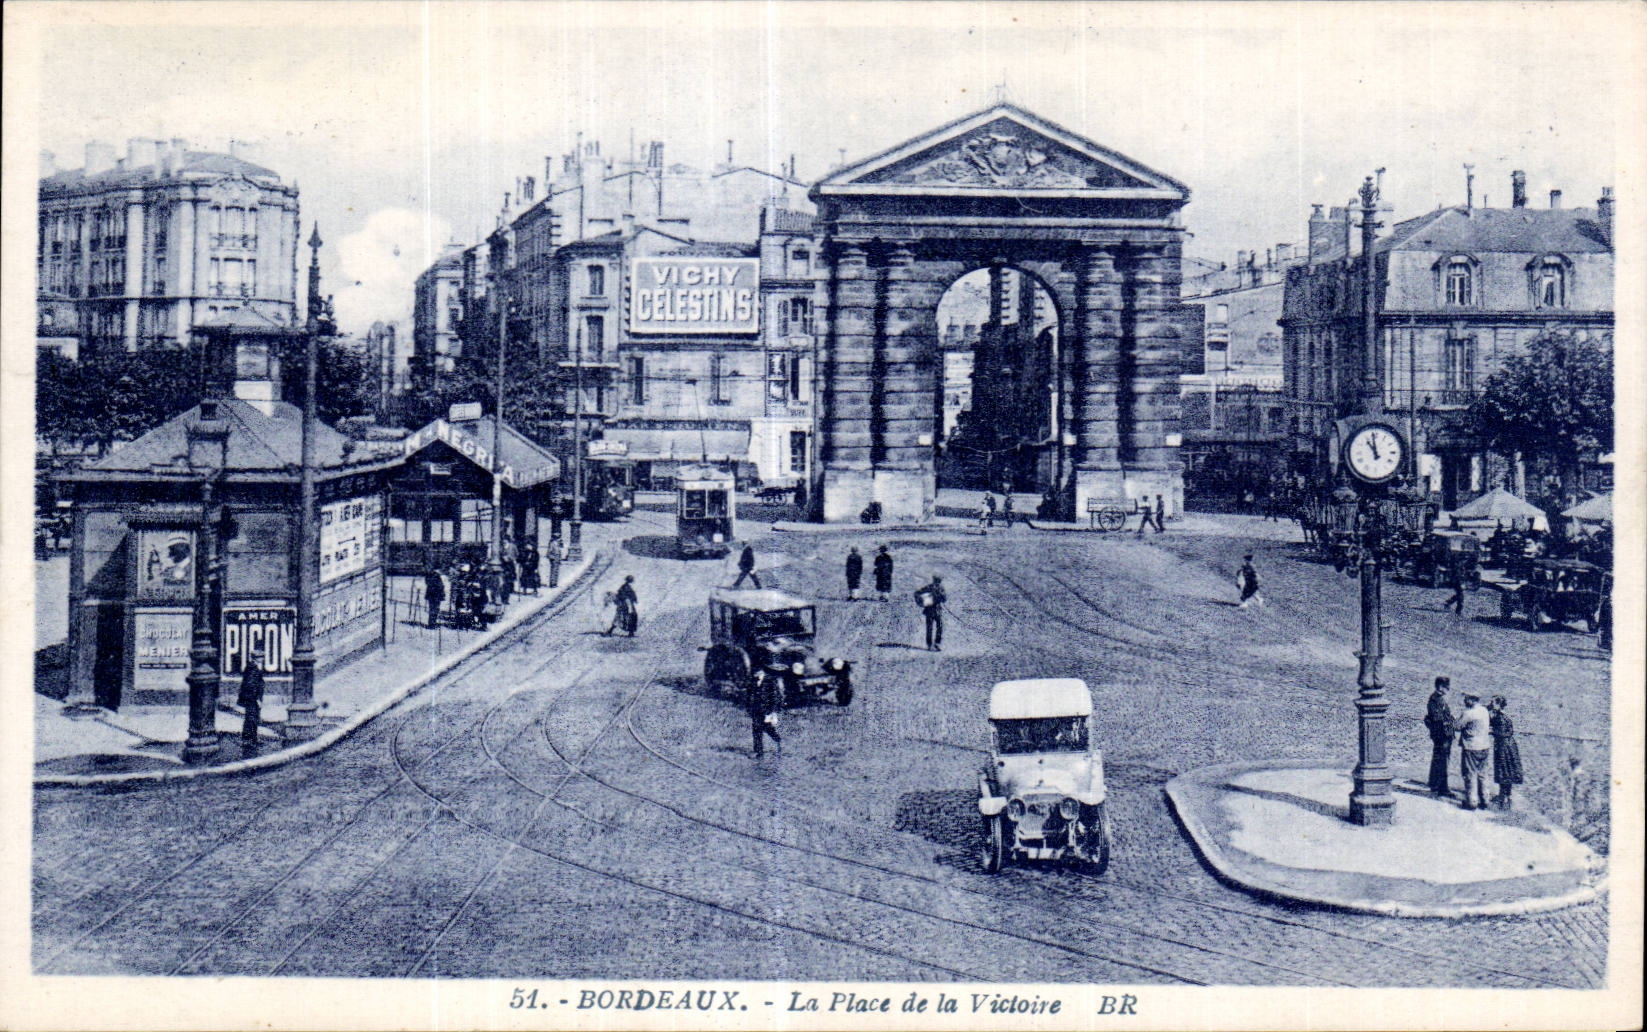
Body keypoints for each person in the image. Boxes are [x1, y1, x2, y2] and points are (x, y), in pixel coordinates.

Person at [1456, 692, 1492, 810]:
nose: (1464, 701)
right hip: (1484, 745)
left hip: (1471, 746)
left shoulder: (1468, 713)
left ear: (1471, 700)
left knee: (1470, 774)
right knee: (1483, 774)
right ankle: (1485, 799)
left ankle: (1471, 802)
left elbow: (1457, 726)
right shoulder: (1484, 711)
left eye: (1466, 699)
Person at [1488, 696, 1524, 811]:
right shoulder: (1501, 716)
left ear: (1499, 704)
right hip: (1508, 746)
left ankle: (1504, 796)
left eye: (1493, 703)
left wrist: (1492, 731)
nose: (1491, 704)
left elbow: (1502, 732)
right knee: (1507, 770)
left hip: (1504, 746)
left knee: (1503, 769)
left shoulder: (1501, 718)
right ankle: (1505, 795)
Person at [1423, 676, 1456, 797]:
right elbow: (1438, 719)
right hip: (1442, 735)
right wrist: (1449, 725)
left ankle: (1435, 784)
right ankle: (1443, 788)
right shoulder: (1436, 700)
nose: (1448, 690)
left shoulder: (1437, 699)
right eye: (1447, 687)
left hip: (1441, 734)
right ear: (1441, 687)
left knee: (1439, 759)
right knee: (1442, 761)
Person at [239, 641, 266, 753]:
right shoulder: (252, 669)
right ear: (256, 658)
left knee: (253, 718)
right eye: (261, 657)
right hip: (251, 699)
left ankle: (253, 738)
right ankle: (248, 740)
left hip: (252, 698)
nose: (263, 658)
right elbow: (251, 686)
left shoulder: (253, 667)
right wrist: (257, 699)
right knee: (251, 718)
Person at [747, 671, 782, 758]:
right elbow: (749, 695)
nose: (754, 673)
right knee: (756, 729)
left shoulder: (770, 681)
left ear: (761, 672)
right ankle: (758, 751)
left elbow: (776, 697)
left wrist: (772, 712)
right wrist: (749, 708)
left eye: (756, 672)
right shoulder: (753, 681)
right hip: (756, 710)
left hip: (767, 711)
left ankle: (777, 739)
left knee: (766, 727)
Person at [916, 575, 947, 651]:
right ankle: (930, 644)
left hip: (936, 610)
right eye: (938, 580)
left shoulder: (940, 588)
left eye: (939, 580)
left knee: (938, 627)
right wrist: (922, 600)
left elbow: (944, 599)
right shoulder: (930, 587)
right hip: (931, 610)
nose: (938, 582)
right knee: (930, 628)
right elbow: (917, 593)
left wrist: (940, 596)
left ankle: (936, 643)